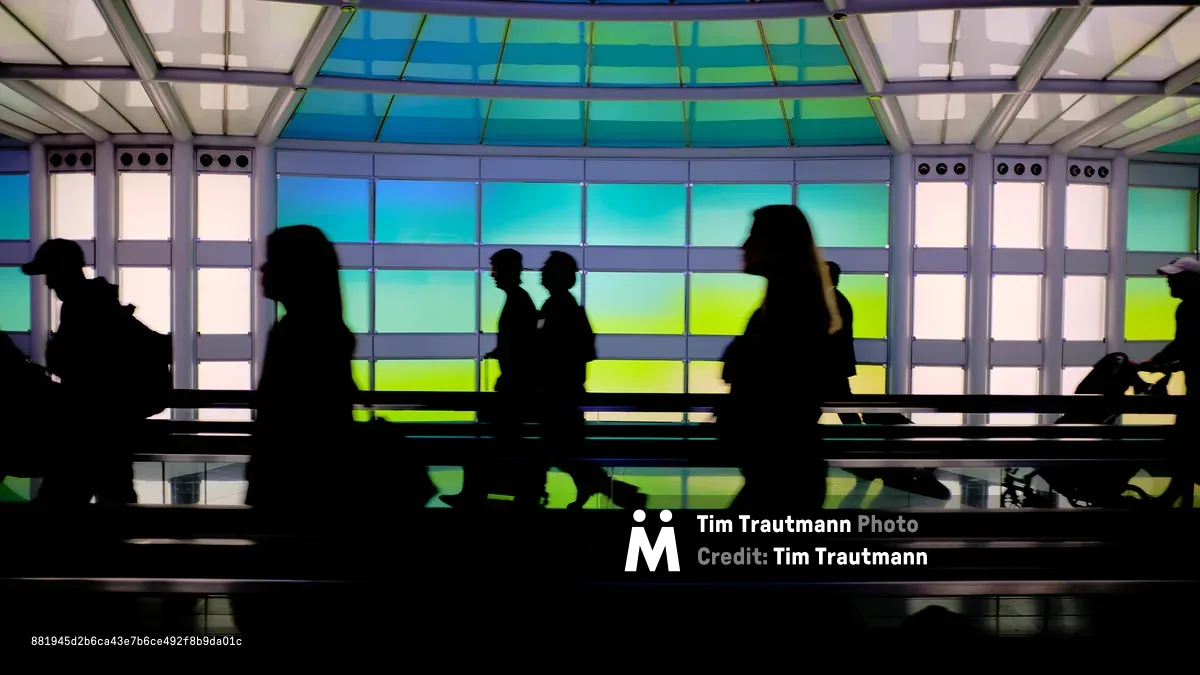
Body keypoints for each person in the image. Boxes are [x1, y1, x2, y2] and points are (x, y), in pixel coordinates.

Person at [22, 238, 168, 505]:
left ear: (63, 270)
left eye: (50, 273)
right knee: (114, 495)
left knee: (59, 503)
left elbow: (83, 372)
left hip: (90, 429)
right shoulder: (97, 304)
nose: (48, 283)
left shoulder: (83, 308)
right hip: (108, 427)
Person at [719, 205, 841, 512]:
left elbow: (777, 389)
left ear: (779, 245)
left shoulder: (788, 310)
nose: (743, 246)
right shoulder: (792, 304)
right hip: (787, 469)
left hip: (780, 473)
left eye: (753, 236)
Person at [536, 251, 646, 510]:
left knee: (558, 451)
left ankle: (620, 493)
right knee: (564, 451)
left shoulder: (557, 309)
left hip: (559, 394)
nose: (541, 271)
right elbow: (587, 350)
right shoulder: (565, 308)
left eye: (547, 268)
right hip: (565, 392)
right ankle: (616, 492)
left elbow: (569, 350)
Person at [444, 248, 539, 508]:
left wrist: (507, 360)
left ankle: (479, 492)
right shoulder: (521, 300)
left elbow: (523, 346)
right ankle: (492, 491)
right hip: (516, 385)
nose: (492, 274)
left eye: (495, 268)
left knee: (494, 438)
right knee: (501, 440)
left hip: (515, 387)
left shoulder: (518, 302)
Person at [1137, 257, 1200, 507]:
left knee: (1187, 443)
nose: (1169, 284)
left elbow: (1188, 350)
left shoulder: (1190, 309)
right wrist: (1157, 362)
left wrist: (1160, 364)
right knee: (1187, 444)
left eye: (1175, 279)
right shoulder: (1188, 308)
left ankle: (1172, 498)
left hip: (1198, 393)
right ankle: (1173, 497)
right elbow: (1184, 348)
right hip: (1195, 390)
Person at [825, 261, 862, 425]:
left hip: (830, 368)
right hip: (834, 368)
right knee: (845, 407)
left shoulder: (831, 303)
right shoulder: (838, 301)